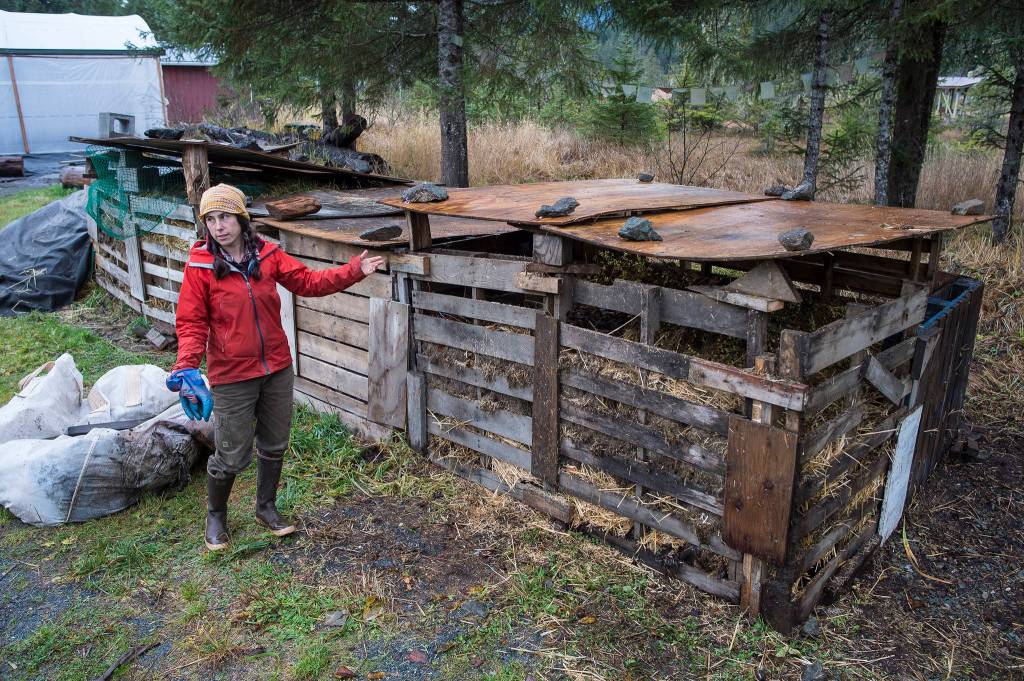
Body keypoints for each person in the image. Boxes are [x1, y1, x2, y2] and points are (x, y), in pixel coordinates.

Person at [167, 183, 384, 551]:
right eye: (211, 219)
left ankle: (265, 508)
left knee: (275, 443)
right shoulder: (200, 265)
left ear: (241, 218)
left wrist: (354, 270)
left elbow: (309, 282)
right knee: (232, 454)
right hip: (232, 375)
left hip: (276, 369)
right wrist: (186, 366)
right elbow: (191, 323)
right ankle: (216, 515)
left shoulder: (267, 255)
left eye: (225, 217)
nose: (218, 226)